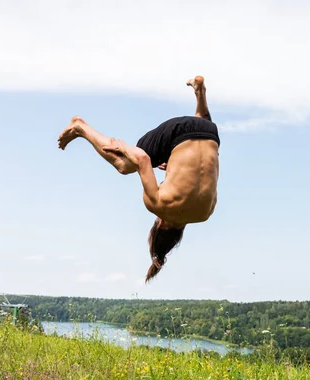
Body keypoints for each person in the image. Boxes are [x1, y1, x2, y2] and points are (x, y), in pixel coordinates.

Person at [57, 76, 220, 282]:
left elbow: (206, 172)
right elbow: (142, 158)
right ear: (160, 225)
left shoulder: (205, 213)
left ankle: (200, 92)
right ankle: (80, 127)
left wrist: (175, 165)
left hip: (209, 130)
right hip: (177, 132)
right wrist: (122, 147)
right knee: (126, 165)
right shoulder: (158, 206)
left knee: (203, 137)